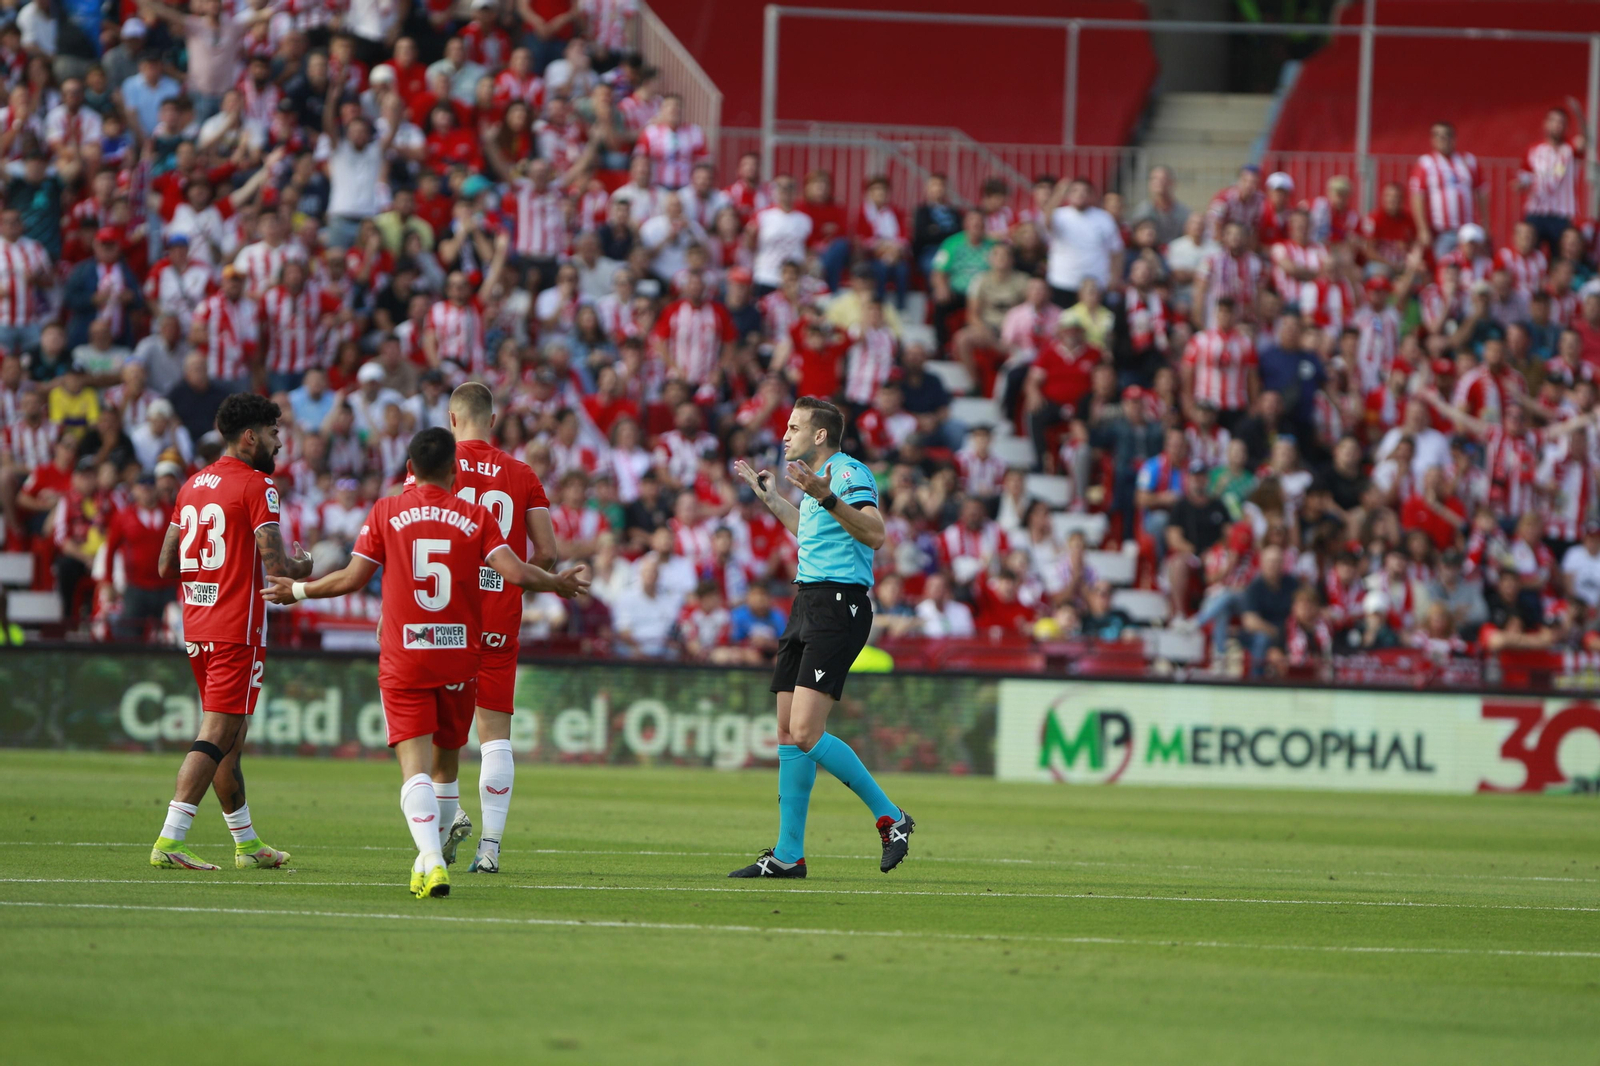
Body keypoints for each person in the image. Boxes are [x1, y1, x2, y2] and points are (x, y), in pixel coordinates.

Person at [261, 427, 588, 898]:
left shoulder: (388, 510)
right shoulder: (474, 516)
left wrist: (297, 590)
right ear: (454, 472)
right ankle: (464, 849)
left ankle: (431, 860)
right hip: (459, 657)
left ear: (409, 469)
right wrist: (556, 584)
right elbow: (516, 571)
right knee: (447, 764)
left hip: (407, 655)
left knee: (413, 766)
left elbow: (352, 579)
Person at [728, 396, 913, 878]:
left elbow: (874, 533)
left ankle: (892, 818)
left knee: (808, 731)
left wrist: (825, 494)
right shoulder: (814, 484)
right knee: (788, 731)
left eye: (794, 427)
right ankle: (789, 854)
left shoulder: (848, 474)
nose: (785, 435)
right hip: (808, 602)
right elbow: (809, 533)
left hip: (839, 605)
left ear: (820, 436)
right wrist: (771, 499)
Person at [148, 393, 313, 872]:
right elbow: (278, 565)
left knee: (229, 739)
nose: (278, 443)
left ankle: (246, 843)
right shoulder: (258, 486)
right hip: (236, 630)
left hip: (198, 627)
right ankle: (170, 839)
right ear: (250, 437)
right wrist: (303, 565)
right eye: (273, 433)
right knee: (217, 733)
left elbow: (165, 564)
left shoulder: (192, 484)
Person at [437, 382, 557, 874]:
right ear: (493, 419)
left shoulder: (434, 464)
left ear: (452, 418)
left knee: (438, 734)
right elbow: (546, 553)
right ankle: (490, 849)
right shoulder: (521, 473)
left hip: (442, 615)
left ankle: (447, 818)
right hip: (497, 617)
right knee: (495, 736)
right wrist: (512, 586)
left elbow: (417, 532)